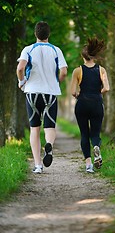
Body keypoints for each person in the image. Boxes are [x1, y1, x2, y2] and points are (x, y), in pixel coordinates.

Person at [16, 21, 67, 174]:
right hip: (50, 93)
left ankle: (38, 165)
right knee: (50, 126)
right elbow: (63, 71)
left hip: (32, 92)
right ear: (48, 34)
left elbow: (20, 68)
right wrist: (56, 82)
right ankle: (49, 145)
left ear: (35, 34)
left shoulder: (28, 49)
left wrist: (21, 81)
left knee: (34, 129)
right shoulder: (56, 50)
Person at [71, 37, 110, 173]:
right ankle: (96, 148)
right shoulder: (101, 70)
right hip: (96, 104)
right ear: (93, 56)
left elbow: (72, 91)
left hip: (82, 104)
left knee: (84, 134)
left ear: (83, 56)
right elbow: (106, 88)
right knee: (95, 133)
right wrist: (97, 92)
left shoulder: (77, 71)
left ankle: (88, 165)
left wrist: (78, 95)